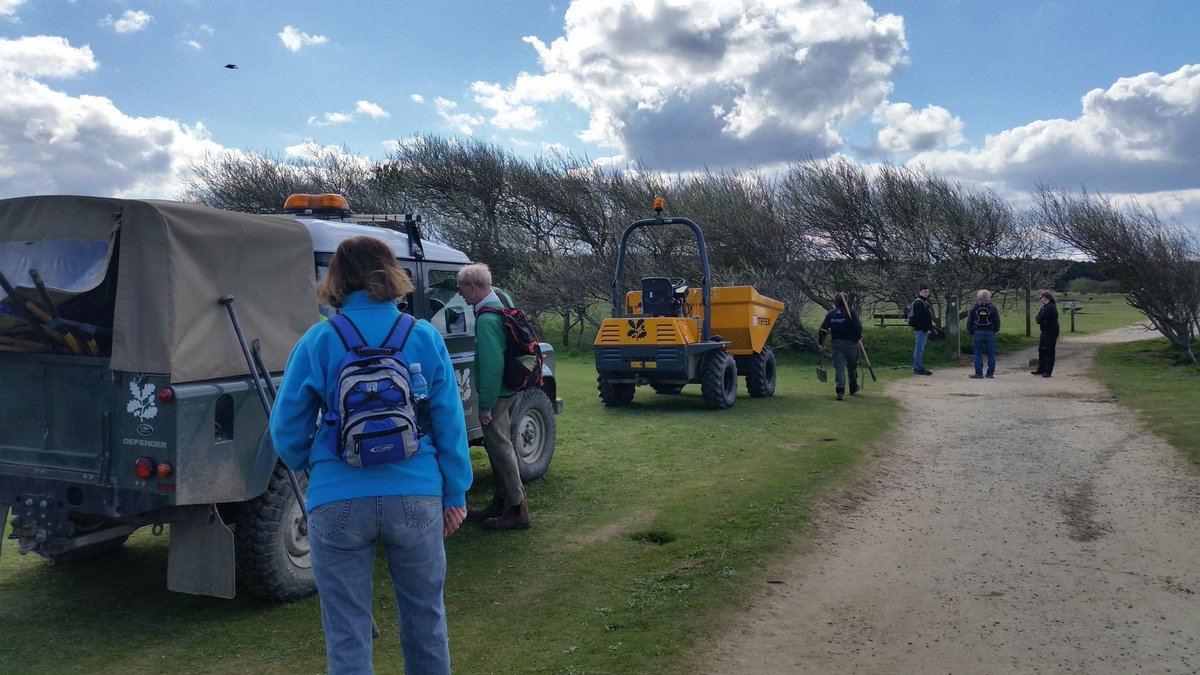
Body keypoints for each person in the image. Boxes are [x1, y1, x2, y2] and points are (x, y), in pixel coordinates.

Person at [270, 236, 472, 675]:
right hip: (416, 495)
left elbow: (285, 431)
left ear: (336, 279)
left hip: (336, 499)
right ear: (392, 272)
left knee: (347, 632)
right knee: (426, 620)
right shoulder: (423, 336)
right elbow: (450, 423)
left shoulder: (319, 340)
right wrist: (455, 493)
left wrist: (316, 464)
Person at [457, 263, 532, 530]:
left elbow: (491, 366)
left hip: (497, 395)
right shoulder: (500, 298)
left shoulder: (487, 320)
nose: (460, 294)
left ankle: (517, 510)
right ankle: (501, 503)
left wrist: (485, 405)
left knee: (501, 450)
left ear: (474, 287)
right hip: (511, 389)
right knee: (500, 448)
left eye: (462, 289)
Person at [818, 292, 862, 400]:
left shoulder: (831, 314)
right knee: (852, 366)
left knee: (839, 367)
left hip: (837, 343)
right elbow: (858, 327)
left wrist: (820, 343)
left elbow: (823, 329)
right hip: (851, 344)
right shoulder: (852, 312)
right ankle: (853, 386)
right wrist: (858, 336)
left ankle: (840, 391)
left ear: (836, 302)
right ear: (846, 301)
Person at [966, 289, 1001, 379]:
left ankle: (979, 373)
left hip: (977, 332)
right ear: (989, 297)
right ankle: (990, 373)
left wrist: (970, 331)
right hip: (990, 332)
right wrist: (996, 330)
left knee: (978, 353)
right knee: (991, 353)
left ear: (979, 297)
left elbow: (969, 321)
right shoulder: (992, 308)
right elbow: (997, 320)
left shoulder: (974, 307)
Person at [1033, 291, 1060, 378]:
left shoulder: (1051, 307)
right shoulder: (1044, 307)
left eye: (1041, 298)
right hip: (1044, 331)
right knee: (1042, 350)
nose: (1040, 300)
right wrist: (1041, 319)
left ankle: (1048, 371)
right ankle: (1041, 369)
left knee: (1049, 351)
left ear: (1045, 298)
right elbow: (1038, 318)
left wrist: (1041, 319)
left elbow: (1042, 318)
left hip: (1050, 332)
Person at [910, 284, 935, 375]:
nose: (926, 293)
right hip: (921, 330)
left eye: (927, 292)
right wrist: (926, 329)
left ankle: (918, 366)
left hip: (922, 329)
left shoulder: (922, 302)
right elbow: (920, 318)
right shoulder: (919, 303)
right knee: (919, 349)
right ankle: (918, 367)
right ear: (920, 292)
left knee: (920, 349)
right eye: (924, 291)